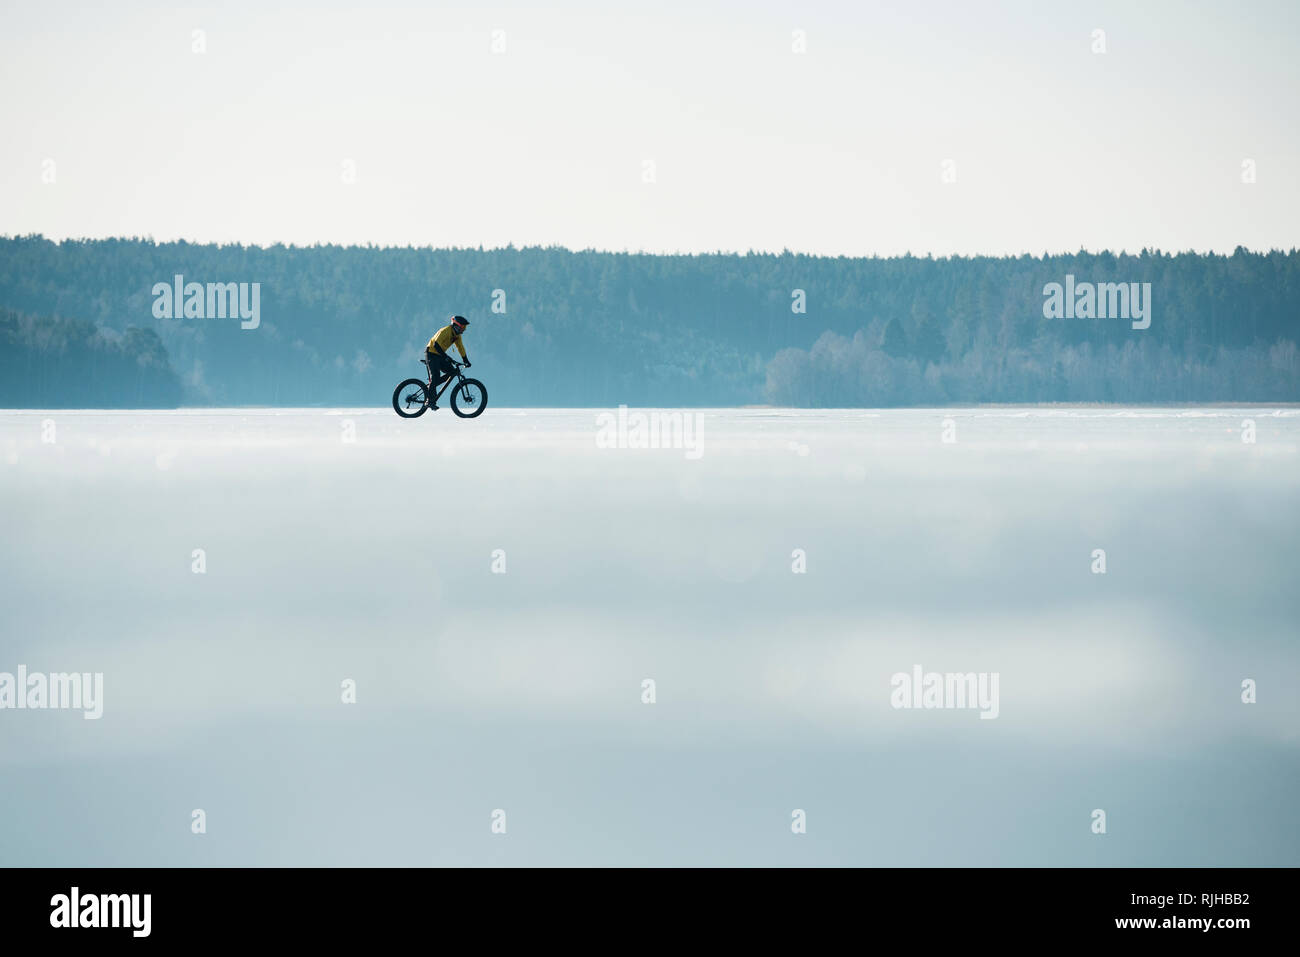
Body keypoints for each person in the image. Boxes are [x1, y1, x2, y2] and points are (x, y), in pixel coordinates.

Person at [424, 315, 471, 409]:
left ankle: (431, 386)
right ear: (456, 325)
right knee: (435, 376)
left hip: (439, 355)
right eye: (463, 327)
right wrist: (446, 357)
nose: (464, 330)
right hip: (431, 353)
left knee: (452, 372)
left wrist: (466, 360)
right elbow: (436, 345)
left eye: (465, 328)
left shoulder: (457, 336)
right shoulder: (445, 331)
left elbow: (460, 347)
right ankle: (429, 400)